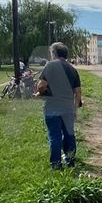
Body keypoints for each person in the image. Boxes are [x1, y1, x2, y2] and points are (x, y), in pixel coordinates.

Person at [37, 42, 84, 170]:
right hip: (68, 109)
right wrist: (75, 109)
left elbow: (41, 86)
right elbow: (78, 92)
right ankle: (70, 161)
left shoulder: (50, 66)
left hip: (52, 108)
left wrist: (40, 92)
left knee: (55, 136)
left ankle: (56, 165)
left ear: (54, 53)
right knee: (69, 135)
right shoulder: (72, 69)